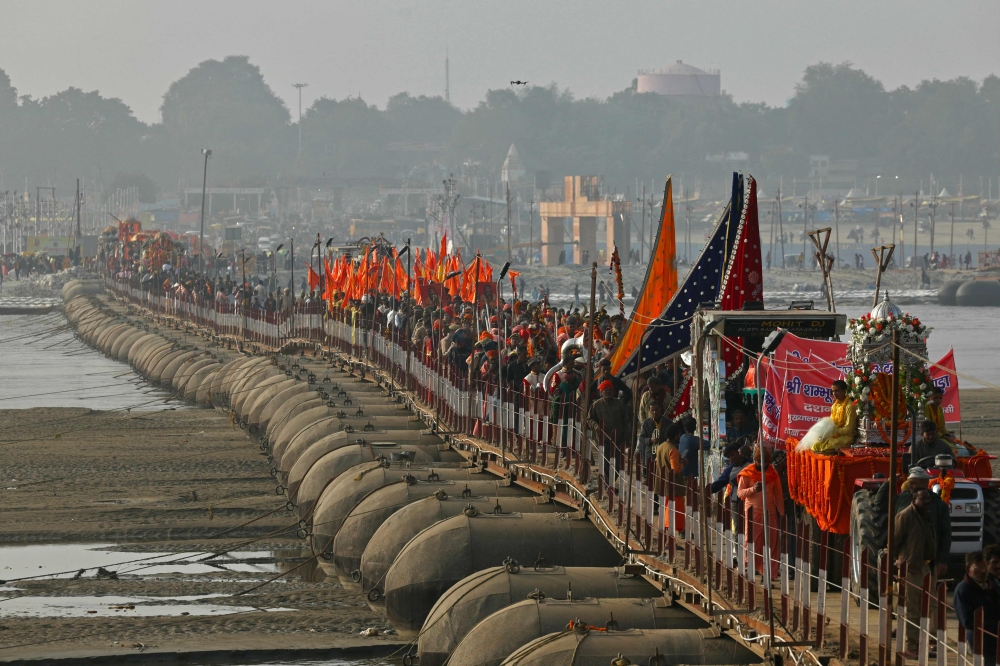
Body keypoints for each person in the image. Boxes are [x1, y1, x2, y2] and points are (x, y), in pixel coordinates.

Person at [875, 467, 951, 578]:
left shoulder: (938, 505)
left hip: (928, 565)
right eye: (910, 483)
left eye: (914, 483)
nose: (910, 486)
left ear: (925, 483)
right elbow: (879, 503)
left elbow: (946, 535)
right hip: (906, 565)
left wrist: (943, 561)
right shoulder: (902, 499)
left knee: (928, 594)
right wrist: (889, 483)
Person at [893, 489, 937, 658]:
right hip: (910, 569)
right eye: (923, 499)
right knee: (911, 609)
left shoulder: (926, 516)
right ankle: (911, 647)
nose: (927, 502)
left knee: (927, 608)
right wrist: (896, 564)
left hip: (926, 568)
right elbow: (894, 541)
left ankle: (923, 645)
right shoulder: (905, 516)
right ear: (914, 499)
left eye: (928, 499)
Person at [736, 445, 784, 579]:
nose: (762, 465)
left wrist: (782, 513)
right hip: (753, 512)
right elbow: (740, 493)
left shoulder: (773, 474)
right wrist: (752, 489)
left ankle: (767, 574)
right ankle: (750, 568)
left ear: (769, 462)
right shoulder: (747, 472)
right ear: (754, 461)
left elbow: (778, 495)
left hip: (770, 513)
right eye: (759, 462)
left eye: (765, 463)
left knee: (771, 543)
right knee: (752, 542)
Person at [955, 551, 1000, 666]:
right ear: (968, 568)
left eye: (985, 566)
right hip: (981, 641)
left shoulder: (992, 587)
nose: (983, 571)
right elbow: (968, 621)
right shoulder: (963, 590)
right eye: (978, 567)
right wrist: (995, 625)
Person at [587, 380, 632, 474]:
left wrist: (626, 437)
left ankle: (611, 481)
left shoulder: (620, 404)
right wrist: (596, 426)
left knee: (618, 464)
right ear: (601, 392)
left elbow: (626, 421)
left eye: (609, 390)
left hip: (619, 439)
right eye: (605, 390)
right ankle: (608, 485)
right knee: (606, 463)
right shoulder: (596, 405)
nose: (607, 392)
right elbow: (589, 419)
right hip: (604, 439)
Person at [804, 380, 857, 453]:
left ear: (844, 391)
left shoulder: (849, 406)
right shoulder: (834, 406)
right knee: (815, 445)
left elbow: (849, 429)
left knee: (825, 448)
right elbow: (831, 423)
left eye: (837, 391)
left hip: (846, 437)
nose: (834, 393)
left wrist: (833, 431)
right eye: (833, 391)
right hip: (834, 435)